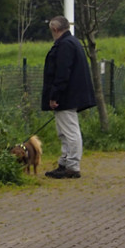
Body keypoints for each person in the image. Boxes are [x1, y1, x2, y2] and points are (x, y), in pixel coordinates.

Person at [41, 16, 96, 179]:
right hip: (72, 94)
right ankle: (64, 163)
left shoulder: (64, 45)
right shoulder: (73, 42)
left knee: (70, 132)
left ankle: (71, 166)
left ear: (55, 30)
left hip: (66, 96)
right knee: (64, 132)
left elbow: (61, 73)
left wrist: (54, 95)